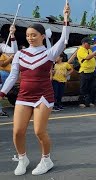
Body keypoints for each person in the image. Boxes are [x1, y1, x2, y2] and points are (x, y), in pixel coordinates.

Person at [0, 3, 70, 175]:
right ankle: (23, 158)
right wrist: (2, 92)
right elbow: (12, 76)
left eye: (34, 35)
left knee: (39, 131)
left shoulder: (49, 53)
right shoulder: (20, 54)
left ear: (42, 36)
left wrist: (66, 19)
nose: (30, 38)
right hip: (24, 96)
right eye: (28, 35)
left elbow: (63, 40)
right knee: (17, 131)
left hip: (43, 96)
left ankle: (46, 159)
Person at [77, 37, 96, 108]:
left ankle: (88, 102)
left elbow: (95, 58)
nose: (90, 45)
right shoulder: (81, 50)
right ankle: (82, 102)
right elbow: (87, 57)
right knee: (84, 88)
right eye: (88, 43)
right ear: (84, 43)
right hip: (85, 71)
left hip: (92, 71)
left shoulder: (89, 50)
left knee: (91, 88)